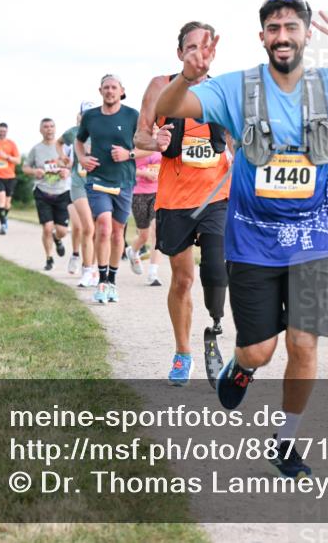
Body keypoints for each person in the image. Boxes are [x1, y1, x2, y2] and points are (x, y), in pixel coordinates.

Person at [156, 0, 328, 478]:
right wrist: (186, 76)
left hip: (313, 240)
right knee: (260, 350)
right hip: (252, 241)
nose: (283, 35)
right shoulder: (236, 88)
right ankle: (242, 365)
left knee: (305, 343)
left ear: (307, 34)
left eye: (292, 27)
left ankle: (285, 441)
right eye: (274, 28)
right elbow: (170, 109)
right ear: (262, 37)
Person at [134, 21, 233, 387]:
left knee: (216, 269)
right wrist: (154, 140)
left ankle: (215, 328)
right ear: (180, 53)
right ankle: (182, 351)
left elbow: (235, 140)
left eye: (205, 47)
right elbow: (140, 136)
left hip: (215, 195)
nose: (198, 54)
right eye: (191, 47)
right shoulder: (160, 86)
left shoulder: (223, 90)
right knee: (182, 279)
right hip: (175, 199)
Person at [74, 75, 143, 304]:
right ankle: (101, 281)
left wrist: (128, 154)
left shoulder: (132, 115)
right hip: (98, 179)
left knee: (117, 232)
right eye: (106, 87)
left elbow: (149, 146)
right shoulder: (91, 117)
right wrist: (82, 158)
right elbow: (79, 141)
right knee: (103, 227)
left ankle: (112, 281)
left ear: (122, 90)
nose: (110, 91)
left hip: (124, 181)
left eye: (114, 87)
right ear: (100, 91)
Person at [23, 118, 71, 271]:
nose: (49, 129)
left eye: (51, 126)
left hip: (62, 192)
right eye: (45, 127)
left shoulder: (64, 148)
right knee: (47, 228)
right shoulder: (36, 149)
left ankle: (57, 239)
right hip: (43, 192)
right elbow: (25, 167)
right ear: (40, 130)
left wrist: (67, 172)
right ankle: (49, 258)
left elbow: (73, 166)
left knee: (62, 231)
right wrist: (34, 171)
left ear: (55, 129)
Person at [59, 102, 99, 286]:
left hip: (98, 184)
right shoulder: (74, 132)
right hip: (78, 184)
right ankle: (86, 268)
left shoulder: (103, 132)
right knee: (86, 228)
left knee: (97, 230)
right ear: (81, 115)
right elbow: (59, 142)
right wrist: (63, 157)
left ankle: (95, 269)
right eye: (86, 113)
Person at [128, 150, 164, 285]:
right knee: (143, 235)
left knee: (157, 231)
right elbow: (127, 168)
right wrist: (145, 173)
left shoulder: (162, 144)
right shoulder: (136, 145)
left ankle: (153, 273)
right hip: (139, 193)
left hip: (158, 192)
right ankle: (133, 252)